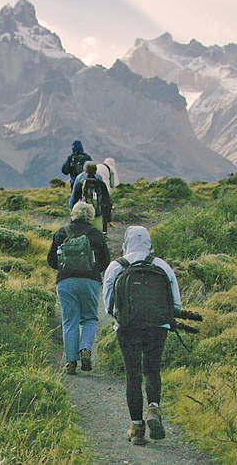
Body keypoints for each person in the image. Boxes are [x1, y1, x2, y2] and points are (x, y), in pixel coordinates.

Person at [102, 226, 182, 446]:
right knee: (152, 369)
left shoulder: (116, 266)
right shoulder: (161, 265)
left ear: (126, 242)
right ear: (149, 242)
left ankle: (137, 429)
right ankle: (154, 407)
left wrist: (119, 317)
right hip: (158, 326)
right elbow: (175, 303)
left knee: (133, 374)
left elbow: (108, 303)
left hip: (128, 326)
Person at [47, 201, 111, 375]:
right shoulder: (96, 234)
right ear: (90, 216)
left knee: (70, 320)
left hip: (65, 281)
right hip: (90, 281)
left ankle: (70, 361)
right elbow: (105, 261)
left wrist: (64, 268)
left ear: (73, 214)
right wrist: (93, 270)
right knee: (89, 318)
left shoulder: (61, 233)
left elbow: (51, 260)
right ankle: (86, 349)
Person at [68, 162, 112, 233]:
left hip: (84, 217)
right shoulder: (101, 184)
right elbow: (107, 202)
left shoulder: (81, 184)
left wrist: (73, 216)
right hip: (98, 215)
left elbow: (74, 200)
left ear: (86, 171)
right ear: (95, 171)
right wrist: (108, 219)